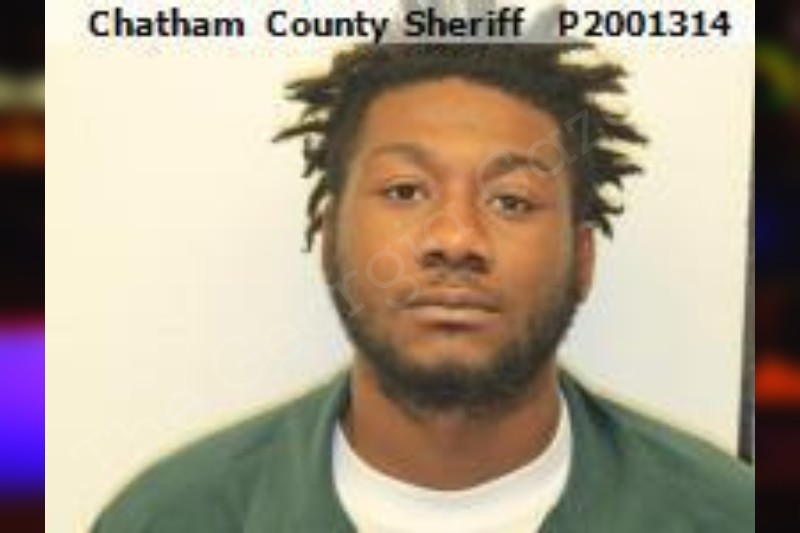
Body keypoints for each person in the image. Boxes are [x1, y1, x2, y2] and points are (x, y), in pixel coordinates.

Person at [92, 43, 754, 532]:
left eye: (512, 200)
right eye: (405, 191)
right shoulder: (171, 517)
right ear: (328, 239)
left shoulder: (728, 514)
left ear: (582, 258)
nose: (456, 239)